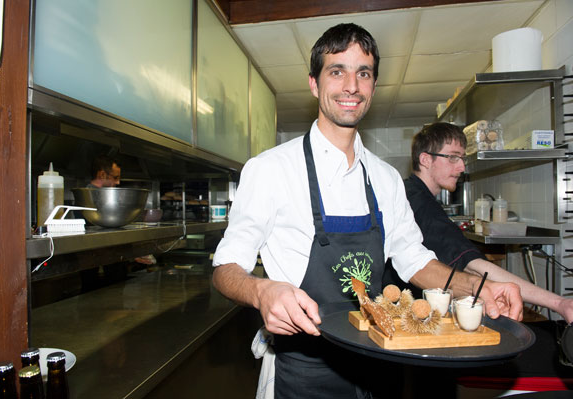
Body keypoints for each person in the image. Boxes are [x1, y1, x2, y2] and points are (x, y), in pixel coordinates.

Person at [212, 23, 523, 399]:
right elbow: (225, 270)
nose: (351, 86)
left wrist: (480, 288)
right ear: (314, 83)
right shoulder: (270, 170)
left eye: (364, 73)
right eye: (337, 71)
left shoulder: (385, 177)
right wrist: (262, 291)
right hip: (305, 371)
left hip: (379, 363)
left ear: (373, 86)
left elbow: (415, 260)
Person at [383, 122, 573, 323]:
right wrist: (559, 303)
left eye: (462, 158)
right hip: (401, 314)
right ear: (425, 159)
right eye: (453, 157)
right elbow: (473, 267)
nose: (462, 166)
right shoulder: (419, 203)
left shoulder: (411, 192)